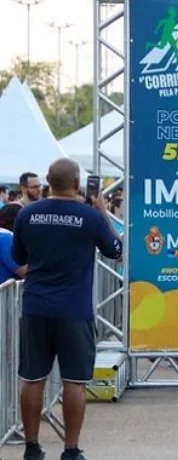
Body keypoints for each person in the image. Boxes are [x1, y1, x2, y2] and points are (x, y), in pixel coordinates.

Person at [12, 158, 123, 460]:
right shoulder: (89, 217)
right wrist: (102, 211)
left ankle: (32, 447)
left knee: (33, 377)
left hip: (36, 305)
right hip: (74, 309)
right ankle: (71, 450)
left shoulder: (27, 214)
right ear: (77, 184)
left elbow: (19, 256)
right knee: (75, 380)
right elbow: (115, 250)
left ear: (48, 182)